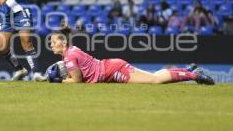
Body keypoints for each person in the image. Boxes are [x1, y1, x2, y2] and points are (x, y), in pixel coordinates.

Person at [49, 27, 215, 84]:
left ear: (63, 43)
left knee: (155, 80)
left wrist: (61, 81)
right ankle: (186, 70)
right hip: (110, 68)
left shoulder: (69, 56)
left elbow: (77, 80)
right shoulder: (70, 51)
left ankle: (194, 75)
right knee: (154, 77)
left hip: (113, 70)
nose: (51, 44)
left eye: (53, 41)